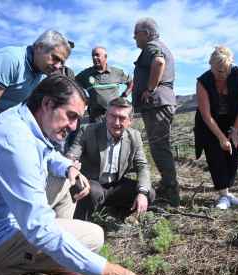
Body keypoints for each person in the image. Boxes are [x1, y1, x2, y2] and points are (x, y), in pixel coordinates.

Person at [0, 75, 147, 275]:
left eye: (77, 119)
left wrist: (69, 167)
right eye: (71, 116)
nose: (73, 126)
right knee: (94, 237)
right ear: (47, 104)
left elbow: (48, 154)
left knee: (67, 181)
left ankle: (55, 257)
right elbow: (39, 228)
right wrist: (107, 270)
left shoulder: (23, 118)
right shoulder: (16, 143)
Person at [67, 97, 155, 221]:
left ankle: (120, 215)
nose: (117, 122)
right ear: (106, 116)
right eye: (113, 116)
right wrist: (72, 167)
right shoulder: (88, 131)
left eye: (122, 118)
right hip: (93, 182)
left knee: (148, 192)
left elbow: (142, 166)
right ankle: (80, 224)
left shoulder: (134, 136)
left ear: (130, 120)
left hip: (116, 185)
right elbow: (71, 155)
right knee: (90, 191)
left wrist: (142, 193)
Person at [194, 46, 238, 209]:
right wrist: (221, 138)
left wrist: (235, 129)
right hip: (210, 124)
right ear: (210, 66)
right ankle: (223, 196)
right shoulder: (203, 81)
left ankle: (227, 194)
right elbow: (205, 114)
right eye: (219, 71)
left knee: (233, 155)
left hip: (233, 120)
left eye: (226, 70)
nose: (223, 75)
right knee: (216, 155)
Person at [132, 17, 180, 206]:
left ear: (145, 33)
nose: (134, 38)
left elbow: (158, 62)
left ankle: (171, 192)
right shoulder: (159, 45)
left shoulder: (152, 46)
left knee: (159, 148)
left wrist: (150, 89)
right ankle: (168, 186)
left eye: (136, 34)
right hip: (161, 102)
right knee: (161, 147)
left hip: (157, 103)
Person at [76, 46, 133, 122]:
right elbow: (72, 84)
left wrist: (124, 95)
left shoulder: (117, 72)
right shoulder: (85, 74)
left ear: (105, 57)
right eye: (93, 55)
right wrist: (83, 98)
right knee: (97, 133)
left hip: (115, 115)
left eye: (97, 55)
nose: (94, 58)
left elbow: (131, 83)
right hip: (96, 116)